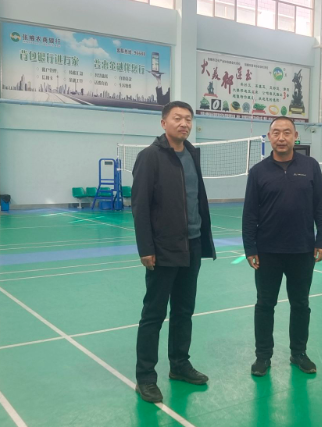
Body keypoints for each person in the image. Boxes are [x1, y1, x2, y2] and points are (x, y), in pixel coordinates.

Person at [131, 100, 216, 403]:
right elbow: (140, 206)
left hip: (192, 245)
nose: (184, 123)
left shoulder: (192, 153)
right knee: (153, 314)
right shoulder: (150, 157)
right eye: (177, 118)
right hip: (163, 249)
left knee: (184, 311)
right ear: (163, 122)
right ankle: (145, 377)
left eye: (188, 119)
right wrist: (146, 247)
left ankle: (179, 365)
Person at [242, 116, 322, 377]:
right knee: (264, 305)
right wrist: (250, 248)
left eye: (287, 132)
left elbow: (321, 207)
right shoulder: (258, 172)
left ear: (295, 137)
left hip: (302, 250)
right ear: (269, 137)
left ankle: (298, 353)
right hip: (267, 252)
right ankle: (263, 356)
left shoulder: (311, 166)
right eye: (276, 133)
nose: (281, 138)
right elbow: (250, 214)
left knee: (300, 304)